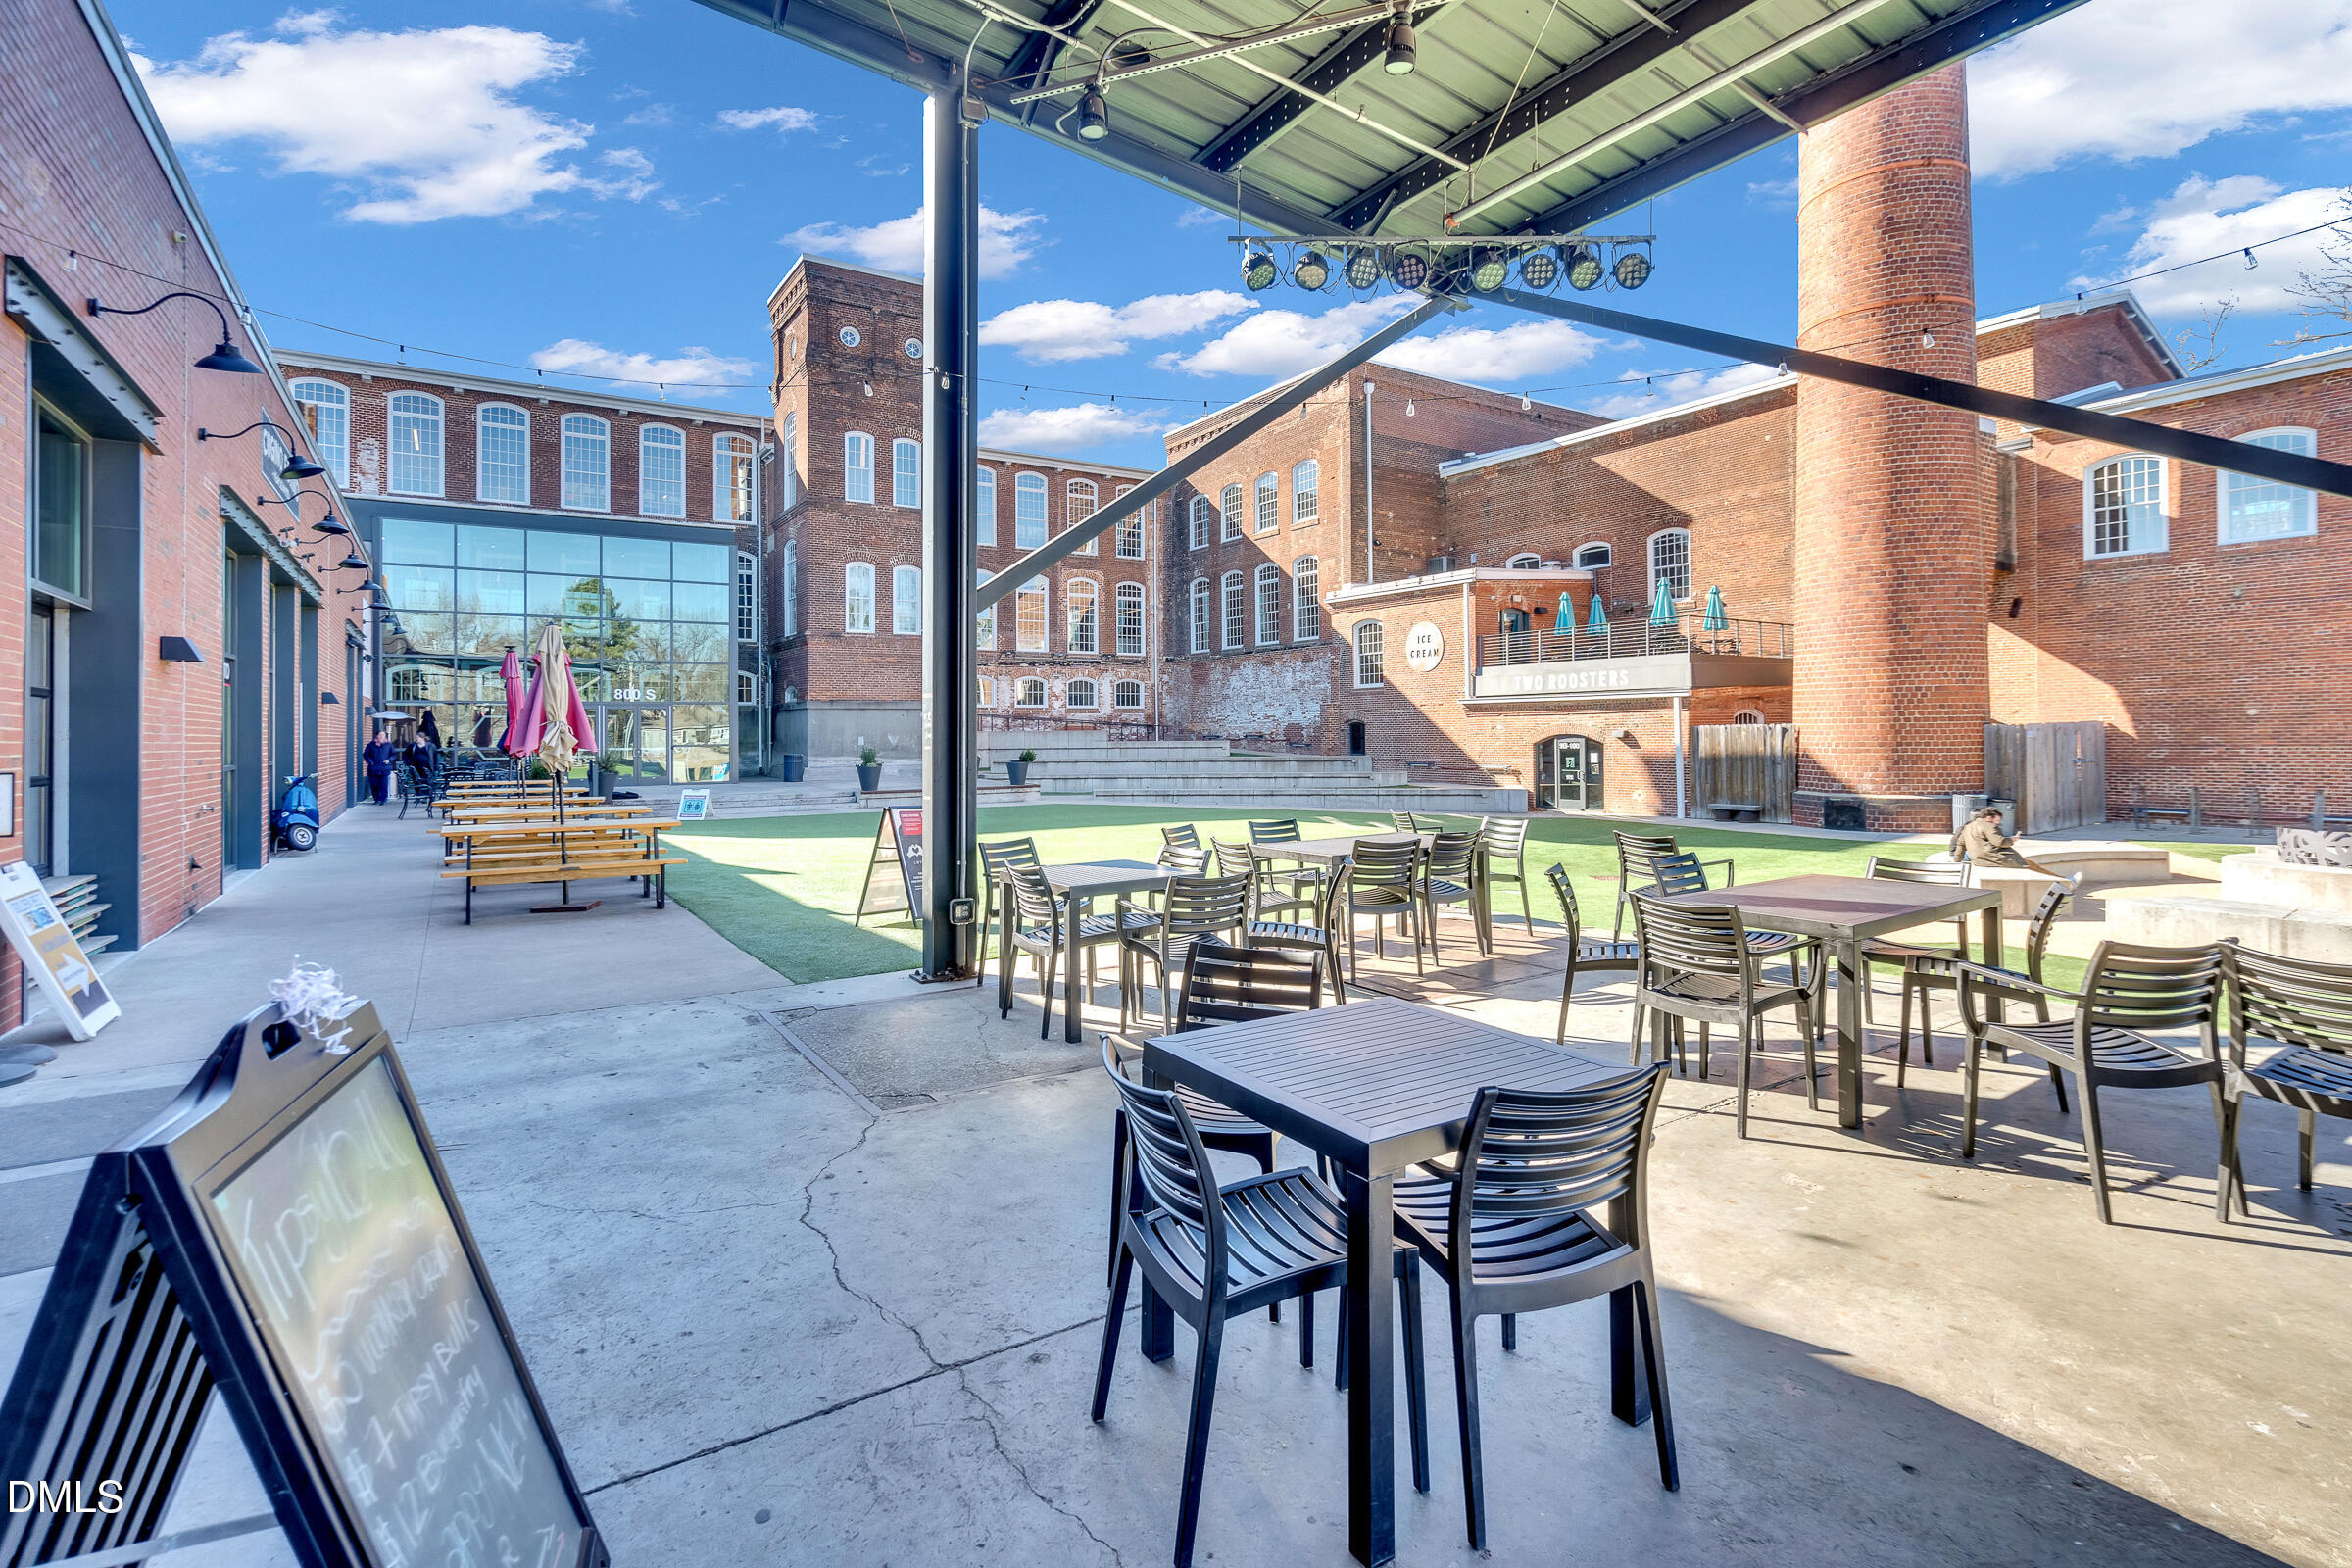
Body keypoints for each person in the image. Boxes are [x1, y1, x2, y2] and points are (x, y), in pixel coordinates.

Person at [1950, 806, 2059, 875]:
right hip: (1996, 859)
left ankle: (2060, 878)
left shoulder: (1968, 827)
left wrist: (1957, 861)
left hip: (1979, 861)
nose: (1997, 823)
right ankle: (2061, 880)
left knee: (2029, 864)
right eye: (1996, 821)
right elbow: (2000, 842)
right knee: (2030, 866)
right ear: (1989, 818)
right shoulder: (1987, 825)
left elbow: (1960, 845)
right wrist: (2011, 840)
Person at [362, 729, 397, 806]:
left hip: (384, 768)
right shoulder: (371, 744)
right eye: (380, 735)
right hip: (374, 768)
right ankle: (376, 799)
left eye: (383, 735)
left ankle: (383, 799)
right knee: (375, 785)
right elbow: (366, 754)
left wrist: (389, 760)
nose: (381, 736)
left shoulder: (388, 744)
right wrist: (370, 761)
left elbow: (393, 754)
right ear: (377, 735)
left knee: (384, 785)